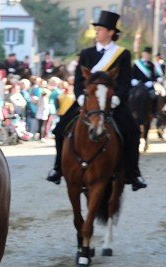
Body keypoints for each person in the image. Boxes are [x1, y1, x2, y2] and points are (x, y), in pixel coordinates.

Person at [46, 11, 146, 190]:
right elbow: (78, 81)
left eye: (100, 29)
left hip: (112, 101)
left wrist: (116, 98)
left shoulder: (122, 54)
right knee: (60, 129)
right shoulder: (86, 53)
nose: (97, 33)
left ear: (110, 32)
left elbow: (124, 81)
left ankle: (133, 173)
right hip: (88, 101)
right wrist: (81, 95)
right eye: (97, 29)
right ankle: (58, 168)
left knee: (132, 131)